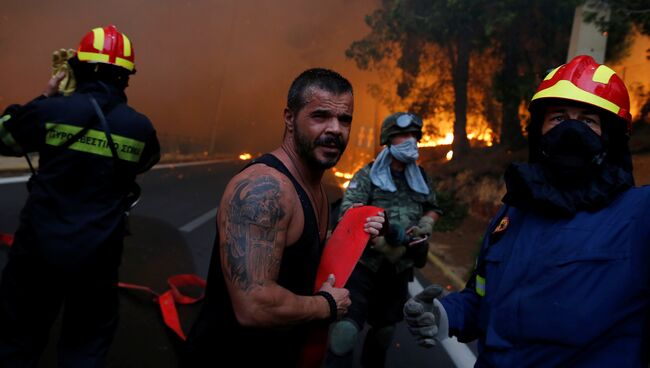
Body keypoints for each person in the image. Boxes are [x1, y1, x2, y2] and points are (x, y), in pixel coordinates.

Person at [404, 55, 650, 367]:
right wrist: (444, 314)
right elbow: (483, 298)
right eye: (558, 118)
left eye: (588, 121)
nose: (571, 131)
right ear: (538, 133)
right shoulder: (511, 215)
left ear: (611, 139)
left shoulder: (639, 216)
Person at [184, 68, 385, 367]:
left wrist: (353, 238)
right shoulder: (265, 189)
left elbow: (297, 258)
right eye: (320, 116)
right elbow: (254, 305)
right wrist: (327, 305)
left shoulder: (314, 188)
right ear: (290, 118)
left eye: (345, 120)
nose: (335, 129)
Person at [0, 25, 160, 367]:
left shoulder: (51, 112)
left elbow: (5, 136)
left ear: (79, 67)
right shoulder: (140, 128)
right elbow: (146, 161)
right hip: (97, 256)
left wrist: (47, 96)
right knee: (85, 346)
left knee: (18, 338)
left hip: (38, 250)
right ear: (126, 76)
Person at [325, 112, 442, 367]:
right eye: (404, 135)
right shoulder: (368, 175)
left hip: (398, 271)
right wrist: (378, 239)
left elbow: (433, 206)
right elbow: (348, 214)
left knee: (384, 335)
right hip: (364, 268)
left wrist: (427, 223)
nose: (411, 140)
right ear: (389, 140)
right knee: (344, 334)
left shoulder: (421, 178)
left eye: (414, 136)